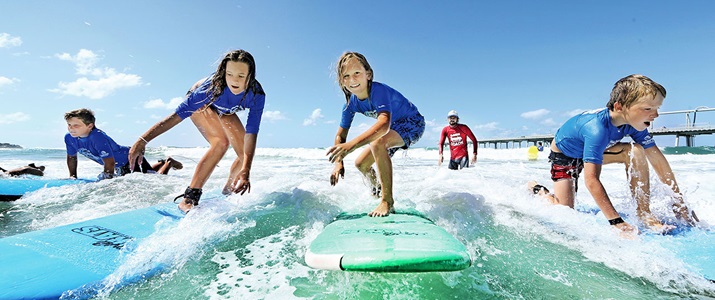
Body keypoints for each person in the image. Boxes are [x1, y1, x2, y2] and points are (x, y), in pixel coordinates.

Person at [529, 74, 698, 238]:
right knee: (564, 211)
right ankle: (538, 190)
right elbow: (592, 180)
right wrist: (617, 222)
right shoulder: (597, 130)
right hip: (566, 156)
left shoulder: (632, 124)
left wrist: (678, 202)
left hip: (595, 151)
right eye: (648, 109)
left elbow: (657, 159)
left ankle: (644, 213)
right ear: (619, 107)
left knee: (635, 150)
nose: (655, 115)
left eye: (657, 108)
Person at [128, 49, 265, 213]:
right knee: (220, 143)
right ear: (224, 72)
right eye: (229, 74)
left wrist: (246, 172)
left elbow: (251, 133)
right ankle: (189, 197)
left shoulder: (256, 95)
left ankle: (229, 189)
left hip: (225, 109)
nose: (234, 81)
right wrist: (142, 140)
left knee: (245, 154)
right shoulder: (210, 90)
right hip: (203, 101)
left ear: (250, 76)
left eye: (241, 76)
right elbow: (176, 116)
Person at [327, 52, 425, 217]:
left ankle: (387, 201)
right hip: (394, 127)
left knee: (377, 143)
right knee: (361, 164)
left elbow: (383, 124)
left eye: (357, 73)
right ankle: (378, 191)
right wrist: (338, 163)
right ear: (342, 81)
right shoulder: (350, 105)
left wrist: (351, 146)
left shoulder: (378, 91)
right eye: (346, 76)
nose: (352, 80)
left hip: (413, 123)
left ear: (368, 74)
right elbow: (340, 136)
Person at [64, 108, 183, 180]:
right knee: (146, 174)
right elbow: (71, 157)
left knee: (151, 179)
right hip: (118, 164)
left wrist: (106, 183)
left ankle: (168, 163)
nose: (71, 128)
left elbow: (109, 163)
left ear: (90, 126)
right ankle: (161, 163)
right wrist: (72, 176)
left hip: (129, 158)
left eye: (76, 125)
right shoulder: (69, 138)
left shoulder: (97, 137)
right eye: (69, 125)